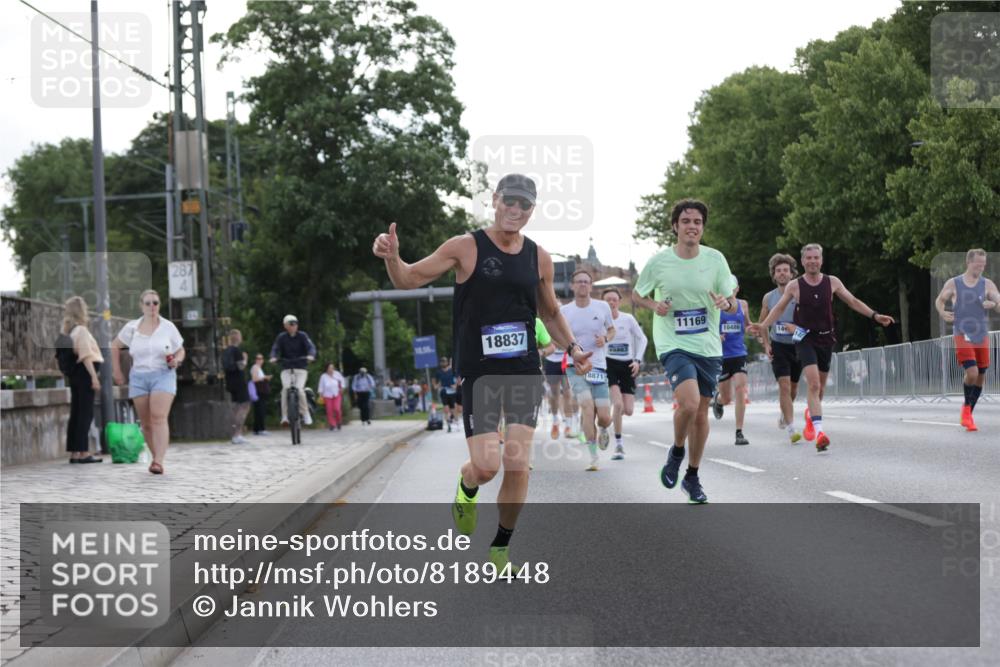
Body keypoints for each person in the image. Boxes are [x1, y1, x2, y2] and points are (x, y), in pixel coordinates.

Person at [372, 173, 592, 572]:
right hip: (480, 372)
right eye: (509, 201)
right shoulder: (465, 247)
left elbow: (551, 311)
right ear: (494, 200)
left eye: (524, 204)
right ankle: (468, 484)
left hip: (525, 370)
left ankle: (501, 547)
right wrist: (392, 257)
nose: (515, 209)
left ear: (532, 211)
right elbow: (408, 278)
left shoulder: (538, 257)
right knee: (487, 466)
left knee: (518, 462)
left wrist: (573, 347)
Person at [633, 199, 737, 504]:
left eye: (697, 222)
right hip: (673, 343)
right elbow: (637, 296)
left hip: (707, 345)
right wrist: (655, 305)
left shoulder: (715, 259)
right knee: (689, 404)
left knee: (702, 412)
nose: (692, 226)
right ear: (675, 226)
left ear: (702, 227)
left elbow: (730, 299)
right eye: (686, 221)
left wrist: (725, 303)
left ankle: (692, 476)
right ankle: (677, 450)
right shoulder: (659, 262)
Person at [752, 243, 895, 451]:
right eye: (808, 258)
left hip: (826, 339)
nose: (812, 261)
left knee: (819, 389)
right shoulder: (795, 286)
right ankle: (820, 433)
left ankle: (812, 415)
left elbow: (852, 301)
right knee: (814, 385)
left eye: (815, 258)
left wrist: (875, 315)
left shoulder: (832, 282)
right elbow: (779, 308)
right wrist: (763, 326)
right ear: (802, 262)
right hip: (804, 339)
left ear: (821, 260)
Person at [112, 289, 185, 475]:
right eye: (148, 303)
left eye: (155, 303)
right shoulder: (132, 328)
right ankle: (155, 458)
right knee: (146, 423)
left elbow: (180, 350)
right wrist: (117, 371)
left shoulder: (168, 327)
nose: (152, 306)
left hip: (163, 374)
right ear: (141, 306)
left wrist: (177, 360)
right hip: (139, 376)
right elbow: (114, 346)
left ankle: (159, 461)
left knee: (158, 417)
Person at [934, 248, 1000, 431]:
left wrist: (994, 304)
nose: (981, 267)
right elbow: (939, 300)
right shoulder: (954, 283)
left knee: (981, 375)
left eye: (983, 264)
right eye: (978, 264)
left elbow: (998, 302)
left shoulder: (987, 284)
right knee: (972, 372)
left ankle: (968, 412)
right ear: (968, 262)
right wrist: (942, 312)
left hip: (981, 335)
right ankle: (966, 410)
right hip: (962, 333)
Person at [562, 269, 616, 471]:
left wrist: (605, 339)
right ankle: (593, 457)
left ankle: (603, 428)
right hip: (574, 367)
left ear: (591, 286)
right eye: (579, 282)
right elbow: (559, 337)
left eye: (586, 281)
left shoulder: (602, 307)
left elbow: (612, 330)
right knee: (587, 407)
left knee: (603, 416)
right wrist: (569, 348)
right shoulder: (565, 311)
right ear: (572, 286)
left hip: (598, 367)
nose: (583, 284)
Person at [758, 253, 803, 444]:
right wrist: (767, 344)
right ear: (774, 275)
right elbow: (763, 324)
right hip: (779, 346)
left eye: (786, 270)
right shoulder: (769, 297)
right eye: (779, 271)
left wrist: (800, 331)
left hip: (798, 345)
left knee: (793, 389)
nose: (782, 274)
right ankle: (792, 428)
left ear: (792, 273)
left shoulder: (800, 292)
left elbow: (810, 319)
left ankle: (785, 414)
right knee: (784, 386)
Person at [602, 288, 648, 460]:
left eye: (614, 299)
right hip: (609, 364)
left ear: (619, 302)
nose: (611, 303)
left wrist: (637, 360)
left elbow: (642, 339)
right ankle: (619, 445)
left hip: (628, 364)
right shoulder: (600, 321)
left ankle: (606, 423)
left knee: (628, 410)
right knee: (618, 404)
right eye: (608, 300)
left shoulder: (627, 319)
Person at [61, 296, 104, 464]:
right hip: (84, 374)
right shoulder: (82, 331)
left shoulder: (69, 331)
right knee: (85, 413)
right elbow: (86, 356)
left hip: (75, 375)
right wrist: (94, 377)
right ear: (81, 310)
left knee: (76, 412)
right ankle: (84, 452)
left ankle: (74, 452)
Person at [710, 276, 753, 446]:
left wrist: (753, 329)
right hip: (721, 356)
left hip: (739, 353)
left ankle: (739, 432)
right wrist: (715, 336)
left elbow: (747, 325)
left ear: (737, 289)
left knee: (741, 388)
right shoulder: (716, 306)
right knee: (727, 398)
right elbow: (708, 328)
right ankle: (718, 400)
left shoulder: (743, 305)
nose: (730, 292)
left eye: (733, 289)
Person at [269, 314, 316, 427]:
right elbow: (275, 348)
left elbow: (311, 347)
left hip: (300, 369)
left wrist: (311, 355)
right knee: (285, 389)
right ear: (285, 326)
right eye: (290, 324)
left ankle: (305, 413)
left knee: (300, 390)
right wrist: (273, 357)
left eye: (295, 324)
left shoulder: (303, 336)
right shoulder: (281, 337)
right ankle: (284, 416)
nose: (293, 326)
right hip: (286, 369)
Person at [222, 329, 251, 444]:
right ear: (238, 338)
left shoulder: (226, 351)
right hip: (239, 382)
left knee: (235, 408)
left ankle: (234, 435)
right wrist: (245, 360)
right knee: (244, 406)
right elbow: (241, 367)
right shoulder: (237, 351)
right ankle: (237, 434)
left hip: (230, 382)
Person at [434, 357, 460, 432]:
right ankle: (449, 426)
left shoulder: (452, 371)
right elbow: (435, 381)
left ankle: (457, 423)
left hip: (452, 392)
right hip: (443, 391)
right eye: (442, 362)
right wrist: (436, 386)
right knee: (446, 409)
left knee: (454, 408)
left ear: (447, 362)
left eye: (444, 361)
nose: (443, 363)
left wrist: (456, 385)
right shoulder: (438, 372)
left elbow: (458, 378)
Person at [318, 363, 346, 430]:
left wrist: (342, 388)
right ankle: (332, 424)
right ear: (326, 369)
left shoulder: (337, 374)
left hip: (336, 393)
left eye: (332, 368)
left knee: (337, 409)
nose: (331, 369)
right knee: (329, 410)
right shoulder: (323, 376)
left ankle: (339, 422)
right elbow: (321, 386)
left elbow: (342, 381)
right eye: (330, 368)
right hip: (327, 395)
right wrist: (320, 394)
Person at [249, 354, 272, 436]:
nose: (259, 360)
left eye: (261, 358)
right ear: (255, 360)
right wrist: (265, 377)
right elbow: (254, 379)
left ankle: (257, 429)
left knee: (259, 410)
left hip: (261, 392)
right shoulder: (255, 367)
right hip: (259, 391)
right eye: (258, 358)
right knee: (260, 410)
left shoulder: (259, 368)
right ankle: (261, 429)